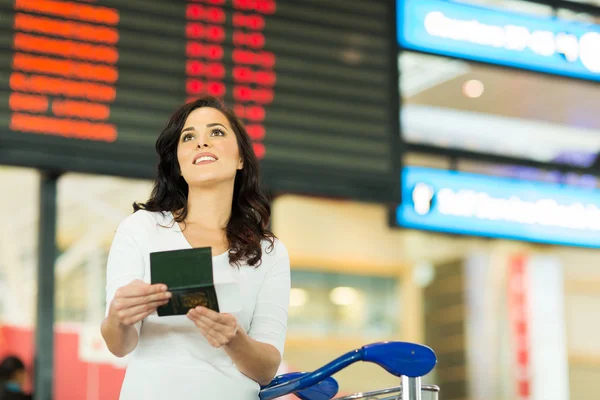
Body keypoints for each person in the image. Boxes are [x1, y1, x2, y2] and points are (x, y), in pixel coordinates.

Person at [100, 96, 291, 399]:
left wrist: (234, 339)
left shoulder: (270, 252)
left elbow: (267, 368)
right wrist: (118, 318)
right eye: (189, 137)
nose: (202, 143)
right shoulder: (141, 229)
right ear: (177, 164)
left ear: (241, 158)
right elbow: (119, 345)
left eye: (216, 132)